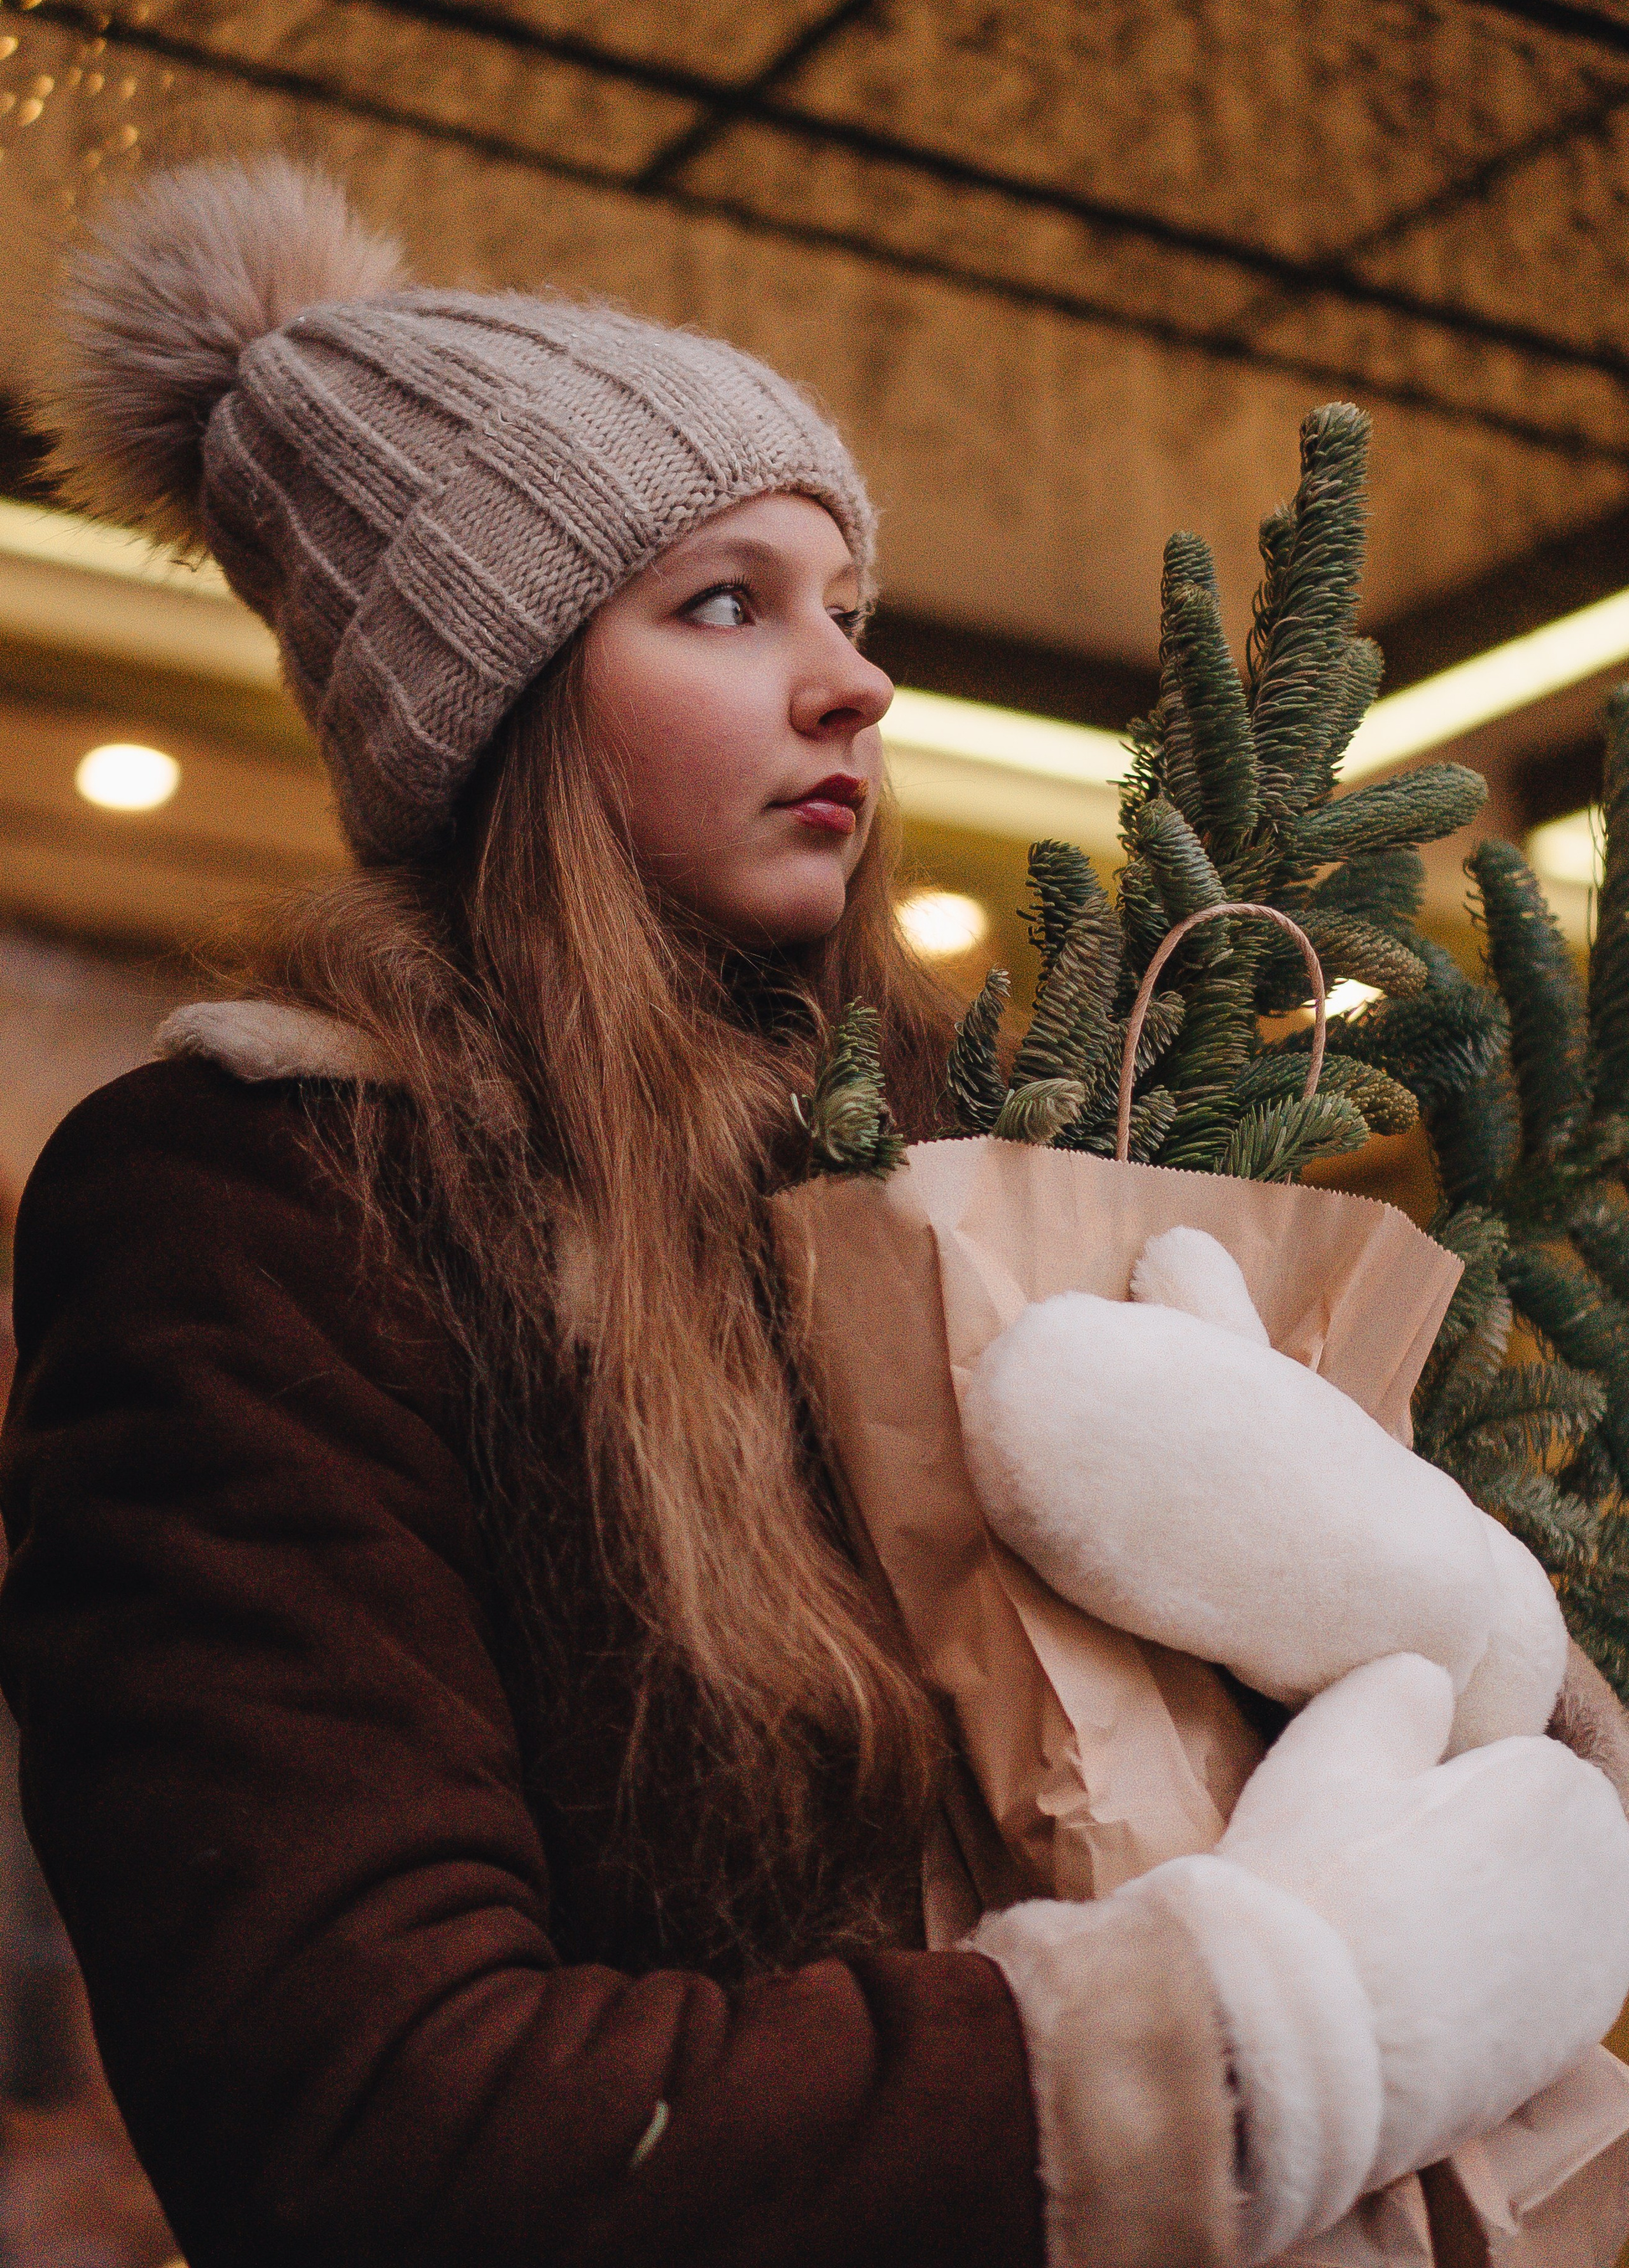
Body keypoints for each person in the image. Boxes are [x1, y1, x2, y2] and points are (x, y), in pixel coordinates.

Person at [3, 155, 1629, 2268]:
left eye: (844, 609)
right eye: (723, 602)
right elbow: (368, 2120)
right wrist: (1241, 2045)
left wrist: (1471, 1660)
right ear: (493, 709)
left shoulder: (962, 1170)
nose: (853, 679)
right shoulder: (262, 1216)